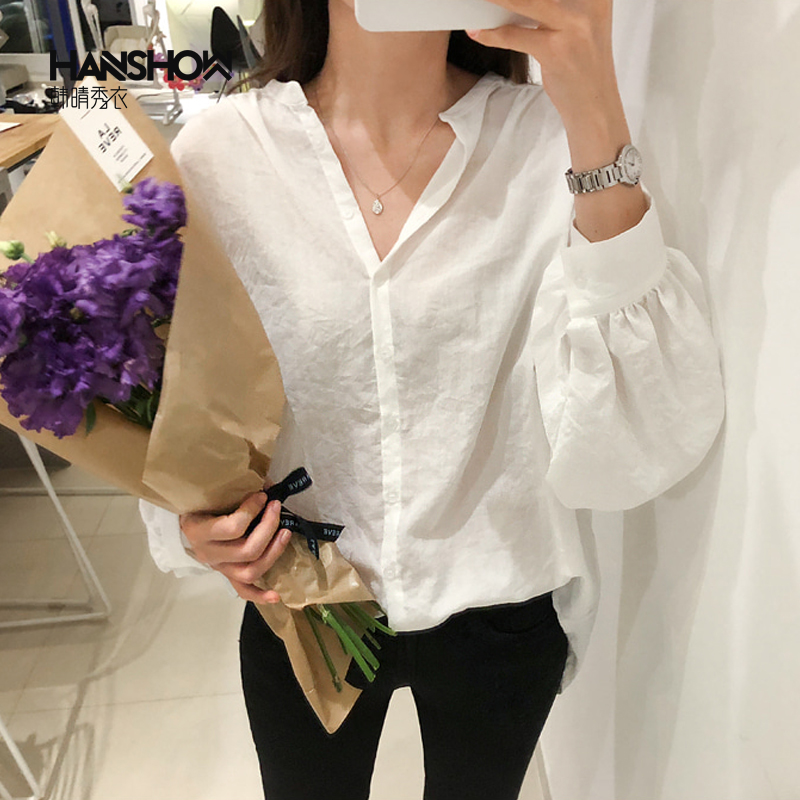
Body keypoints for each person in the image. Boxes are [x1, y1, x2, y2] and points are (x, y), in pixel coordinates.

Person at [139, 0, 725, 797]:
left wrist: (593, 98)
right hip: (304, 601)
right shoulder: (222, 155)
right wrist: (194, 522)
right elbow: (176, 389)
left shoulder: (548, 141)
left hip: (503, 602)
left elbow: (643, 423)